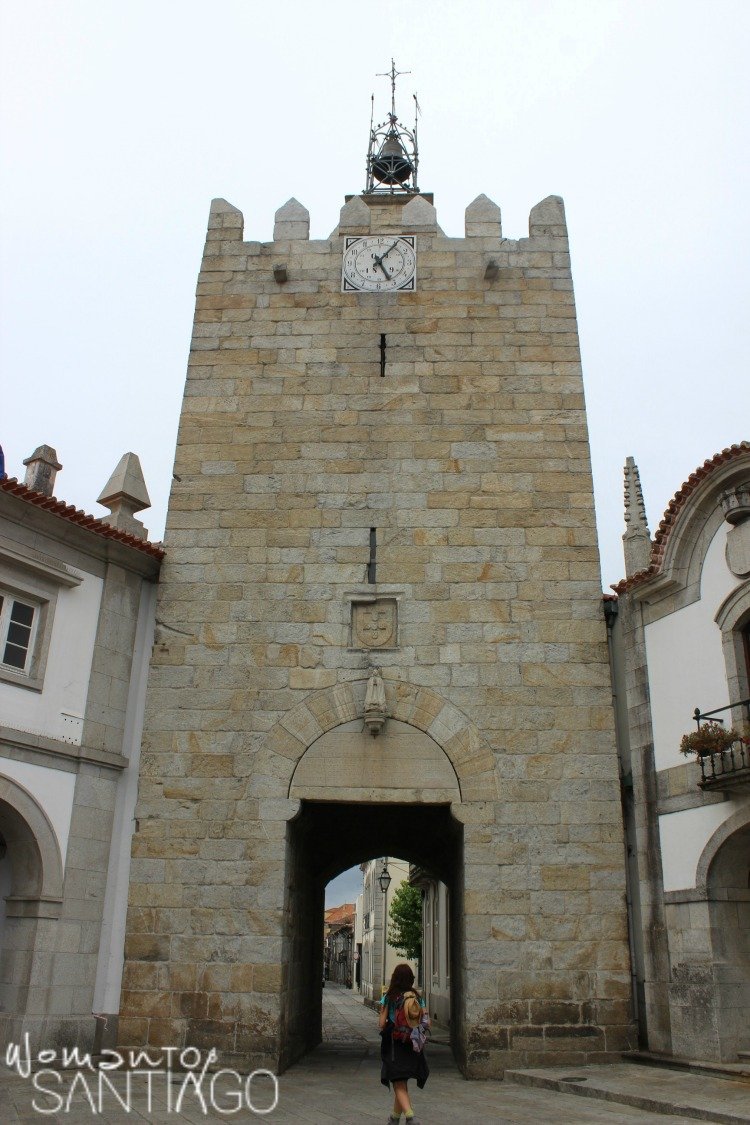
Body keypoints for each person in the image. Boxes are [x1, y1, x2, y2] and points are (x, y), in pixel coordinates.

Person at [378, 963, 429, 1124]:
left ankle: (410, 1117)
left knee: (397, 1081)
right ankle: (394, 1118)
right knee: (401, 1081)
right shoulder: (416, 997)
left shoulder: (390, 996)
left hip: (395, 1043)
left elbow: (381, 1023)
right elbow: (427, 1022)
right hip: (412, 1043)